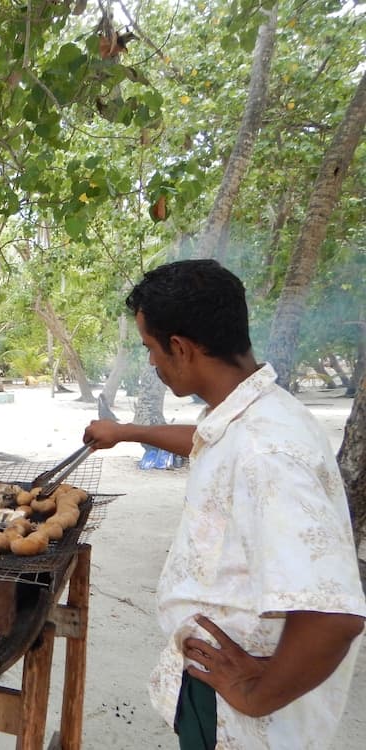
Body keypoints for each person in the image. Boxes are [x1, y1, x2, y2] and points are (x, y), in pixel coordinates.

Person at [84, 259, 365, 750]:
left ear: (180, 348)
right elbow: (208, 439)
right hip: (213, 684)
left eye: (150, 348)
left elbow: (333, 616)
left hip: (242, 715)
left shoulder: (267, 453)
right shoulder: (255, 414)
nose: (151, 361)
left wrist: (255, 695)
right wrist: (128, 433)